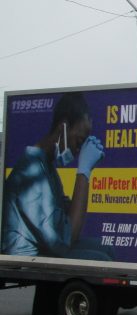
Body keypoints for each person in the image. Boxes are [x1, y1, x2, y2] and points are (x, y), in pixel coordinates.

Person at [2, 92, 111, 260]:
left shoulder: (45, 165)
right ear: (63, 127)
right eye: (79, 141)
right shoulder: (32, 173)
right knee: (101, 260)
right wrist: (83, 172)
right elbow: (66, 238)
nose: (78, 151)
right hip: (26, 256)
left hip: (43, 249)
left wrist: (86, 171)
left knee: (105, 249)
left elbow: (67, 215)